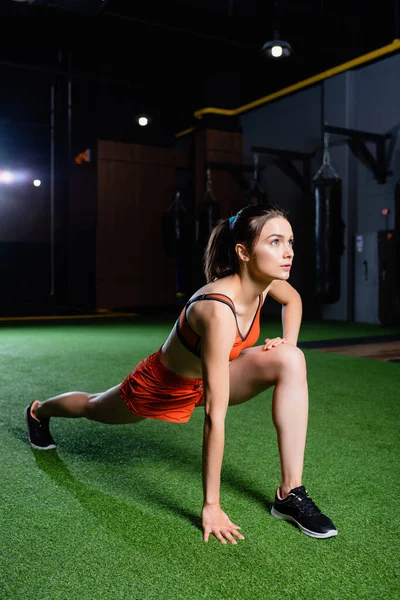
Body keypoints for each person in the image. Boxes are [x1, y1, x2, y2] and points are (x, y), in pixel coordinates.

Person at [25, 203, 337, 543]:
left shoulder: (265, 283)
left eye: (290, 242)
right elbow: (215, 417)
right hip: (164, 384)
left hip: (217, 375)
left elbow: (294, 301)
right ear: (243, 252)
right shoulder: (217, 309)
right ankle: (39, 411)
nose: (288, 252)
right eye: (275, 242)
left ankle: (290, 493)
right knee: (94, 407)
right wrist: (211, 505)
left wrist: (285, 343)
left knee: (292, 359)